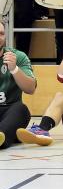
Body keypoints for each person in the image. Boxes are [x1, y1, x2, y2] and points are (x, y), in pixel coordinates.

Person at [0, 19, 35, 148]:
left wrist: (14, 69)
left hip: (9, 110)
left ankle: (3, 135)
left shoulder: (18, 56)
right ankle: (7, 135)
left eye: (1, 34)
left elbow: (30, 89)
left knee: (22, 109)